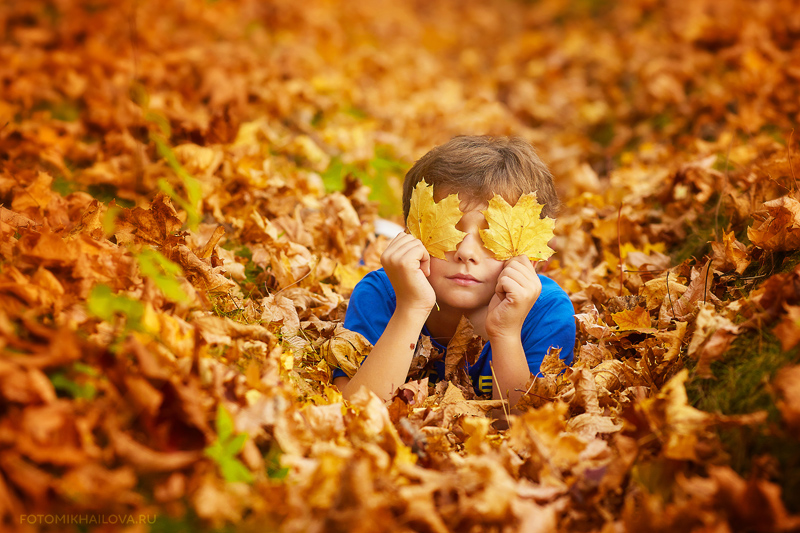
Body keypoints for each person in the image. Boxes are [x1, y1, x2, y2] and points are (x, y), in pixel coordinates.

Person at [332, 135, 576, 408]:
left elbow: (527, 430)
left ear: (531, 254)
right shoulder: (380, 294)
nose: (466, 252)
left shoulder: (547, 312)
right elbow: (356, 413)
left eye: (492, 236)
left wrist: (506, 333)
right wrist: (411, 308)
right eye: (450, 231)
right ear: (414, 231)